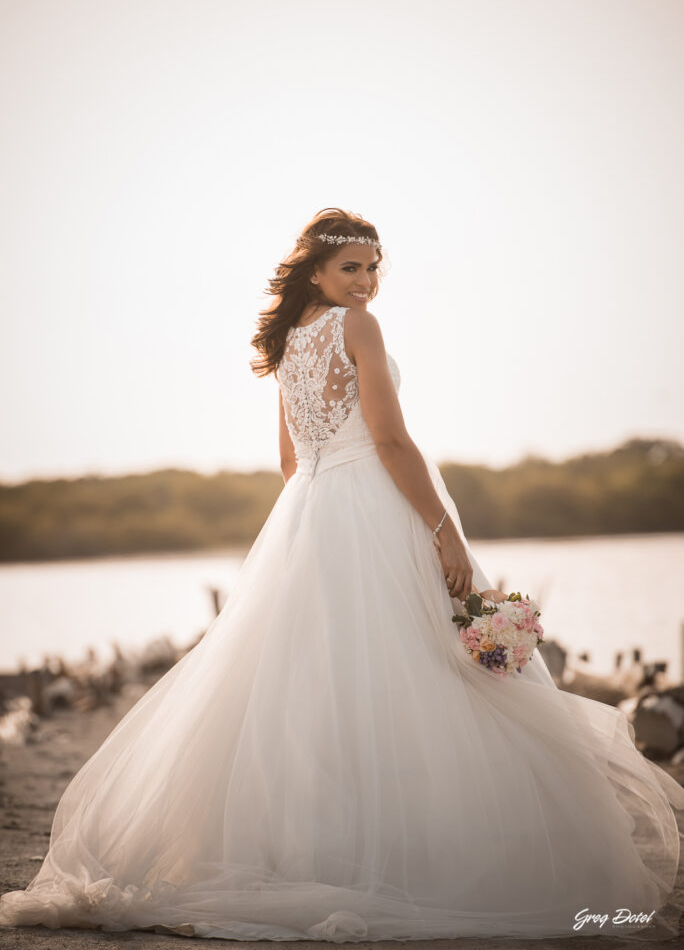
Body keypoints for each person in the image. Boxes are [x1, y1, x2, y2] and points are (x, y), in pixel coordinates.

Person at [1, 207, 683, 942]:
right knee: (413, 670)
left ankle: (316, 850)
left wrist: (322, 502)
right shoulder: (356, 329)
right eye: (350, 268)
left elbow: (291, 463)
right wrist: (442, 529)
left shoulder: (290, 341)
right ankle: (409, 857)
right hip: (369, 508)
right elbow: (390, 439)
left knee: (313, 686)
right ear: (317, 272)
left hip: (312, 513)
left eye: (373, 269)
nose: (365, 283)